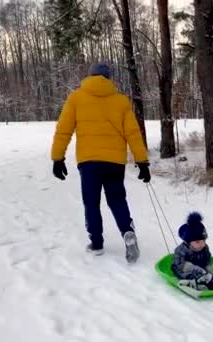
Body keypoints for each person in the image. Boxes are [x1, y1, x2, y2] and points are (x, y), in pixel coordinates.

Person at [50, 62, 150, 263]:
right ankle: (127, 232)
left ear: (91, 76)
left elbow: (64, 130)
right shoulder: (121, 101)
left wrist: (58, 158)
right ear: (109, 78)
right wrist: (142, 161)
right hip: (114, 163)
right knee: (117, 200)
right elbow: (133, 133)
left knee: (91, 202)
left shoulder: (76, 97)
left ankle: (96, 243)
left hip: (89, 163)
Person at [172, 212, 213, 290]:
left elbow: (207, 259)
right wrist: (194, 268)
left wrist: (208, 268)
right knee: (192, 275)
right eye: (197, 242)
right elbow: (179, 264)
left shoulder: (204, 248)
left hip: (201, 270)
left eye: (203, 241)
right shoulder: (181, 250)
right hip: (184, 271)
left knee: (209, 274)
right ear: (188, 242)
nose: (201, 244)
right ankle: (194, 284)